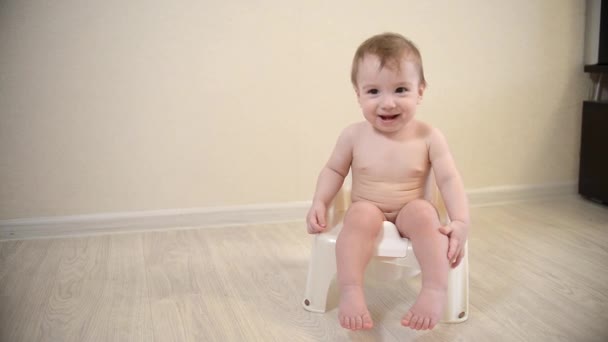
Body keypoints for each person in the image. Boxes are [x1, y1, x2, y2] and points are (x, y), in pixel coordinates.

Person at [306, 32, 470, 331]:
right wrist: (320, 201)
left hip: (410, 207)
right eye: (373, 92)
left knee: (425, 215)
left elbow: (448, 178)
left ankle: (434, 289)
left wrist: (460, 220)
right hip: (370, 207)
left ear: (420, 91)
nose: (388, 102)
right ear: (358, 94)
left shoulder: (429, 136)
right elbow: (333, 171)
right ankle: (351, 290)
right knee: (359, 216)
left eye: (400, 89)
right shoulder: (353, 136)